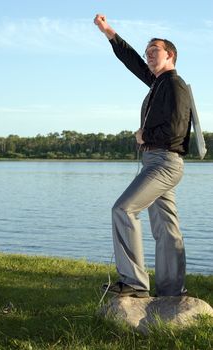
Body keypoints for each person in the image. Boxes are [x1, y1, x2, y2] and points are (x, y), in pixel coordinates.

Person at [94, 14, 192, 297]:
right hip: (157, 161)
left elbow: (176, 129)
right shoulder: (158, 83)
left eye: (155, 51)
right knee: (165, 225)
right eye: (148, 52)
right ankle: (172, 290)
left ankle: (135, 284)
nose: (149, 56)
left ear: (170, 55)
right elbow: (132, 60)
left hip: (163, 161)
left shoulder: (174, 85)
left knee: (123, 209)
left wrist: (143, 136)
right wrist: (108, 32)